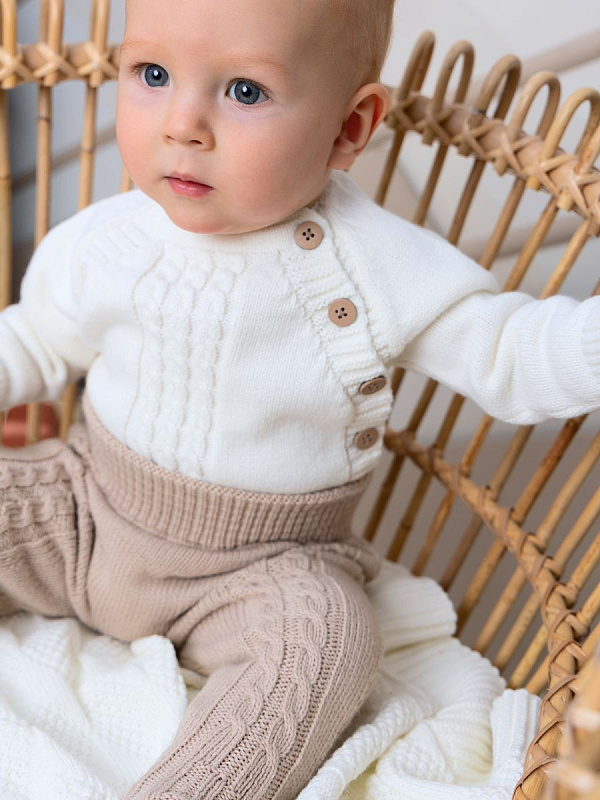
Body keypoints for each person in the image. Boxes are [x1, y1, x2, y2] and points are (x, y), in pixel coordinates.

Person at [0, 0, 599, 797]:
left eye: (245, 92)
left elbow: (513, 353)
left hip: (263, 570)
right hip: (87, 513)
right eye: (153, 74)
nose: (183, 125)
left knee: (331, 644)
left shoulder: (373, 264)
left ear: (349, 129)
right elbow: (32, 342)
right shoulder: (106, 238)